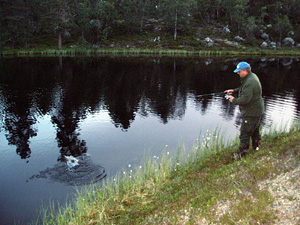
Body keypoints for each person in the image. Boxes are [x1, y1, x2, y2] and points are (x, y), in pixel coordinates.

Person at [224, 62, 264, 159]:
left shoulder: (250, 81)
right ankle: (256, 148)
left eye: (239, 71)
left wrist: (234, 100)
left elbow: (245, 99)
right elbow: (244, 90)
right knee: (254, 130)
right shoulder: (251, 77)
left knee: (245, 133)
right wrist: (234, 91)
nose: (238, 73)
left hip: (252, 112)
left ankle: (242, 154)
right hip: (257, 110)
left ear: (245, 71)